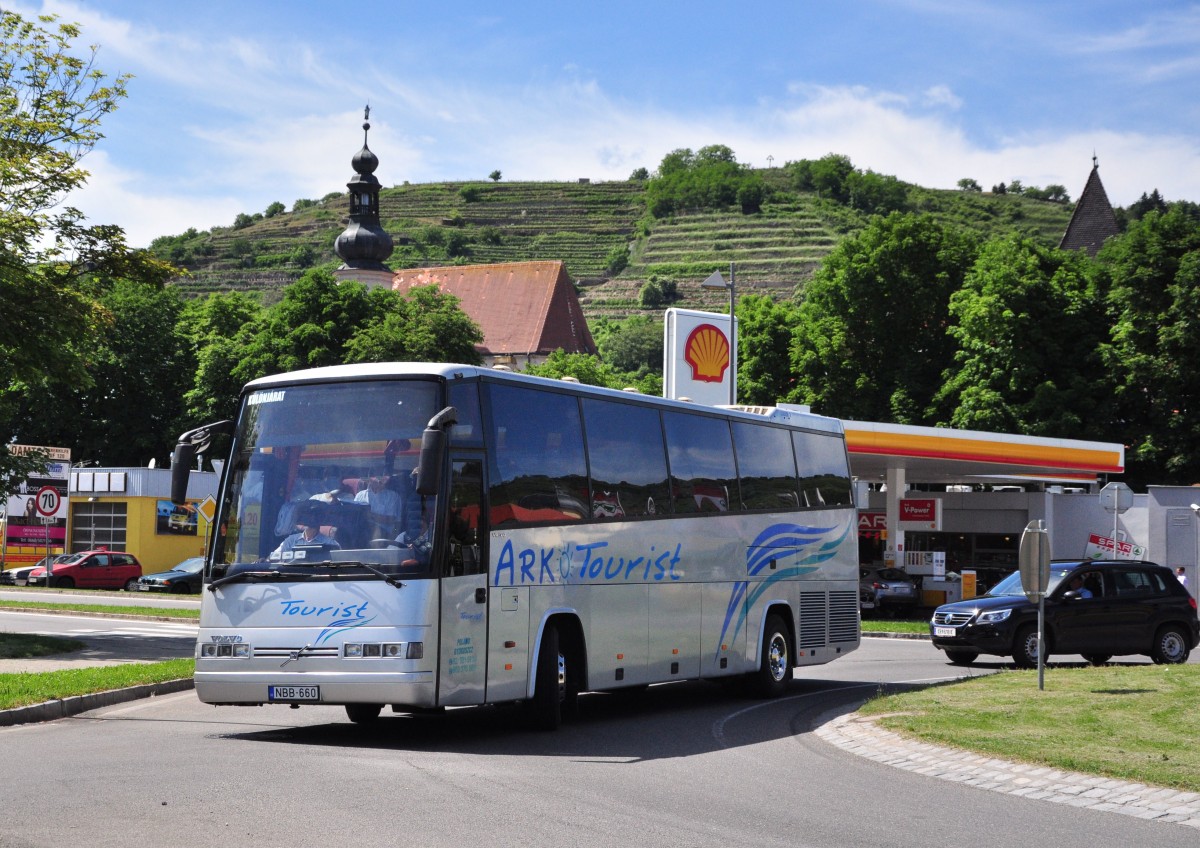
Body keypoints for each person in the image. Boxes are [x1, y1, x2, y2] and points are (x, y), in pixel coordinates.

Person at [269, 501, 339, 562]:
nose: (310, 519)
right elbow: (274, 557)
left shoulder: (331, 544)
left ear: (320, 520)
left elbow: (337, 566)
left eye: (314, 516)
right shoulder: (290, 541)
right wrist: (266, 560)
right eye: (307, 516)